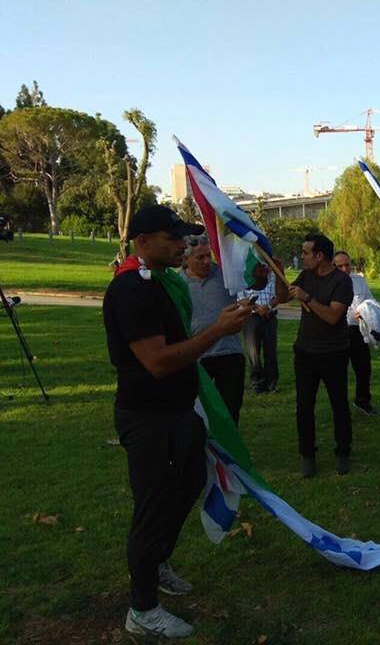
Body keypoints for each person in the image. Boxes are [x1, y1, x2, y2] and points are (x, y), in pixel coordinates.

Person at [103, 205, 252, 638]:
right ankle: (142, 609)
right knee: (151, 510)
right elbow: (158, 362)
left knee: (188, 485)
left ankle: (157, 559)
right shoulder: (132, 290)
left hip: (177, 414)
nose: (182, 244)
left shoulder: (162, 283)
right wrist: (217, 332)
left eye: (182, 237)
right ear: (144, 241)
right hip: (149, 419)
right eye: (172, 238)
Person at [275, 233, 354, 477]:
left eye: (306, 253)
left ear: (320, 256)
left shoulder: (341, 281)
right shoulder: (307, 275)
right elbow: (282, 298)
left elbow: (332, 317)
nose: (302, 257)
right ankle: (307, 455)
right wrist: (277, 272)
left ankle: (342, 452)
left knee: (338, 404)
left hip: (334, 352)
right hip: (305, 352)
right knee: (304, 406)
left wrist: (308, 297)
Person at [178, 234, 247, 423]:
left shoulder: (225, 276)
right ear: (186, 259)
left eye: (208, 255)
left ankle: (230, 451)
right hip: (197, 357)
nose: (207, 261)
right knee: (199, 413)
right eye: (200, 257)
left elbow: (254, 283)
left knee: (230, 412)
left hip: (229, 354)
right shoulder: (178, 283)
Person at [332, 250, 377, 416]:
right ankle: (340, 406)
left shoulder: (359, 281)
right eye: (340, 265)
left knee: (364, 368)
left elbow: (370, 300)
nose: (344, 268)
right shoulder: (328, 282)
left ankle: (363, 400)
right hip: (337, 330)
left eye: (347, 265)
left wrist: (365, 310)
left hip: (357, 330)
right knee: (338, 371)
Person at [237, 263, 279, 394]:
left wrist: (268, 307)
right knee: (253, 351)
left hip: (269, 316)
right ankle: (257, 382)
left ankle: (271, 382)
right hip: (251, 317)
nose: (263, 269)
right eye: (259, 267)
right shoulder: (242, 277)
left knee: (270, 350)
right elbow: (240, 298)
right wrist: (256, 307)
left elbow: (279, 296)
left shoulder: (272, 277)